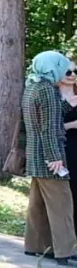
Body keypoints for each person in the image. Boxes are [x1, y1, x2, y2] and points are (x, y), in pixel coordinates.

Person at [22, 51, 76, 267]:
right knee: (62, 203)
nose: (66, 72)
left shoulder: (33, 85)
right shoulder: (47, 90)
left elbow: (49, 115)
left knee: (38, 205)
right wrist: (55, 157)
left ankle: (35, 245)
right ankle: (65, 250)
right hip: (48, 156)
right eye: (62, 67)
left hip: (35, 155)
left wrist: (68, 103)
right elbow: (49, 128)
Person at [60, 70, 77, 219]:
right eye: (68, 72)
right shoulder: (53, 96)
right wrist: (72, 125)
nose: (72, 75)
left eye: (75, 72)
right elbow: (48, 126)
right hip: (63, 149)